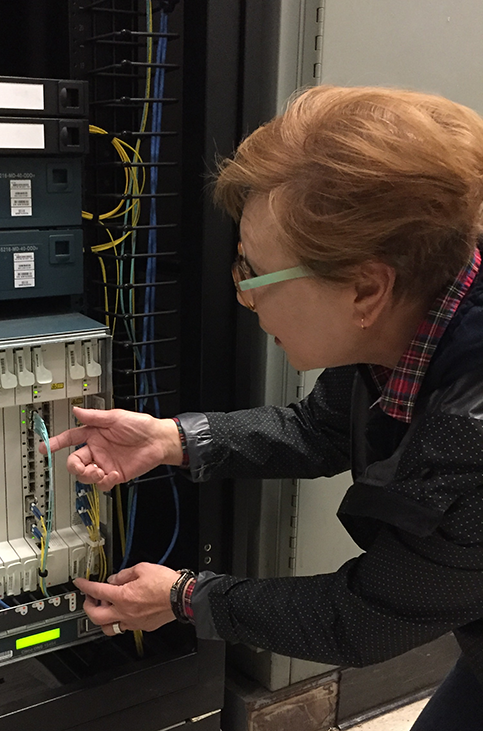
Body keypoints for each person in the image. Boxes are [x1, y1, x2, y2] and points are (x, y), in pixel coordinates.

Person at [44, 86, 483, 729]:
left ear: (365, 287)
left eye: (255, 272)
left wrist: (184, 597)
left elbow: (361, 619)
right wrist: (172, 440)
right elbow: (320, 427)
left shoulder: (471, 437)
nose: (245, 294)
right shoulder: (417, 315)